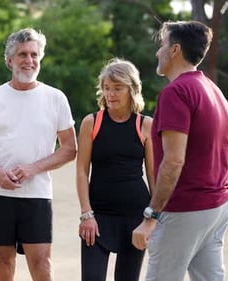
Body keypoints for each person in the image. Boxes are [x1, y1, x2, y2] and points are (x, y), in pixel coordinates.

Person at [0, 27, 77, 281]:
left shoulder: (56, 98)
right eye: (22, 55)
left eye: (34, 55)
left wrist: (32, 169)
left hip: (37, 194)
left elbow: (70, 149)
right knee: (2, 263)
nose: (29, 61)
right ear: (9, 60)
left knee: (41, 264)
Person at [132, 21, 228, 281]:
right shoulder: (214, 90)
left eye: (162, 45)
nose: (158, 52)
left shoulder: (176, 92)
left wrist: (151, 215)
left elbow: (174, 161)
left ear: (175, 50)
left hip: (185, 209)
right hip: (216, 207)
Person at [76, 58, 154, 281]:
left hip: (135, 218)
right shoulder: (92, 122)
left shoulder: (145, 125)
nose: (110, 94)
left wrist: (152, 218)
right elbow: (82, 171)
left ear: (132, 89)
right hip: (97, 218)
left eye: (117, 88)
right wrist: (86, 214)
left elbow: (152, 175)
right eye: (106, 88)